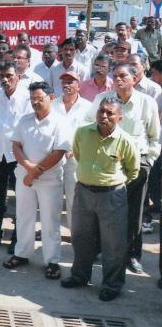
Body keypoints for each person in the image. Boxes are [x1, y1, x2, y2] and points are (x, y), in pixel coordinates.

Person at [61, 98, 139, 301]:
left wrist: (111, 184)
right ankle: (79, 276)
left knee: (113, 244)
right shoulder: (82, 133)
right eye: (101, 111)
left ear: (119, 118)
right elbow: (78, 154)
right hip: (84, 193)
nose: (104, 116)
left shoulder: (126, 140)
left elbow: (133, 171)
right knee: (81, 238)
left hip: (112, 197)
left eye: (109, 113)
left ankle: (111, 285)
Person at [90, 63, 160, 275]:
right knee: (105, 211)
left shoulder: (146, 103)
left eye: (123, 76)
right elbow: (89, 125)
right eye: (116, 76)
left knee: (133, 214)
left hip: (138, 166)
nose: (118, 80)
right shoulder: (104, 100)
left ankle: (132, 255)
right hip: (108, 166)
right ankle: (100, 249)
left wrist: (149, 161)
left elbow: (155, 136)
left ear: (135, 79)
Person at [3, 82, 69, 279]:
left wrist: (36, 171)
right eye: (32, 99)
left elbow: (59, 152)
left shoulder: (60, 122)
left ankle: (52, 261)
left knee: (50, 220)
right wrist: (29, 169)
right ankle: (22, 253)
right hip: (24, 175)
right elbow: (16, 146)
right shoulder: (25, 120)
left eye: (40, 98)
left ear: (51, 97)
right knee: (23, 216)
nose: (35, 102)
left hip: (49, 179)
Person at [0, 63, 32, 248]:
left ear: (18, 77)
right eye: (2, 76)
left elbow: (31, 122)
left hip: (18, 154)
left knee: (22, 197)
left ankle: (18, 240)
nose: (4, 79)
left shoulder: (27, 97)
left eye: (9, 75)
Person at [51, 71, 92, 232]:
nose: (67, 85)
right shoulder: (53, 104)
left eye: (71, 82)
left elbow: (91, 132)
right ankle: (51, 234)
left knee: (73, 200)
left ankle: (77, 237)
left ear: (79, 85)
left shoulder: (88, 107)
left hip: (76, 159)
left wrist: (76, 149)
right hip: (54, 158)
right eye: (64, 82)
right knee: (52, 199)